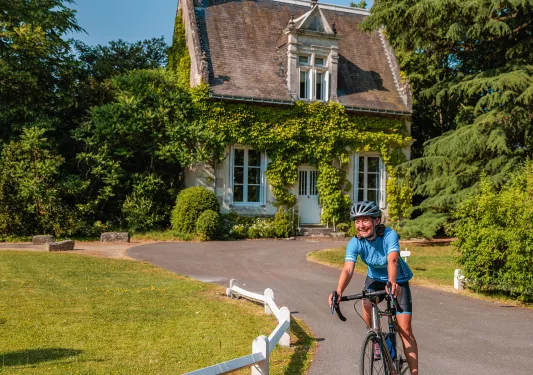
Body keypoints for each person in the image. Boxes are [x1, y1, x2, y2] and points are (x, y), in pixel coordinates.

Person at [328, 200, 419, 374]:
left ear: (376, 220)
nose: (361, 225)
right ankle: (375, 336)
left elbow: (392, 259)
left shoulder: (389, 235)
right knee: (367, 302)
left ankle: (415, 373)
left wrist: (392, 283)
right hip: (375, 278)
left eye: (365, 220)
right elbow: (348, 269)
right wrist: (339, 291)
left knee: (405, 329)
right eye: (357, 221)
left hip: (397, 279)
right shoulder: (355, 242)